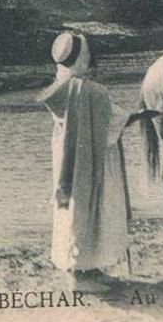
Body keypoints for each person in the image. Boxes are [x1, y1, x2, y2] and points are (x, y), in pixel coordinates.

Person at [36, 32, 130, 278]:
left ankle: (71, 261)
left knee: (70, 205)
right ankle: (87, 267)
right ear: (82, 58)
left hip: (65, 158)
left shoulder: (58, 89)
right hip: (92, 157)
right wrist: (136, 116)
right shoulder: (92, 91)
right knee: (93, 205)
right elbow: (113, 120)